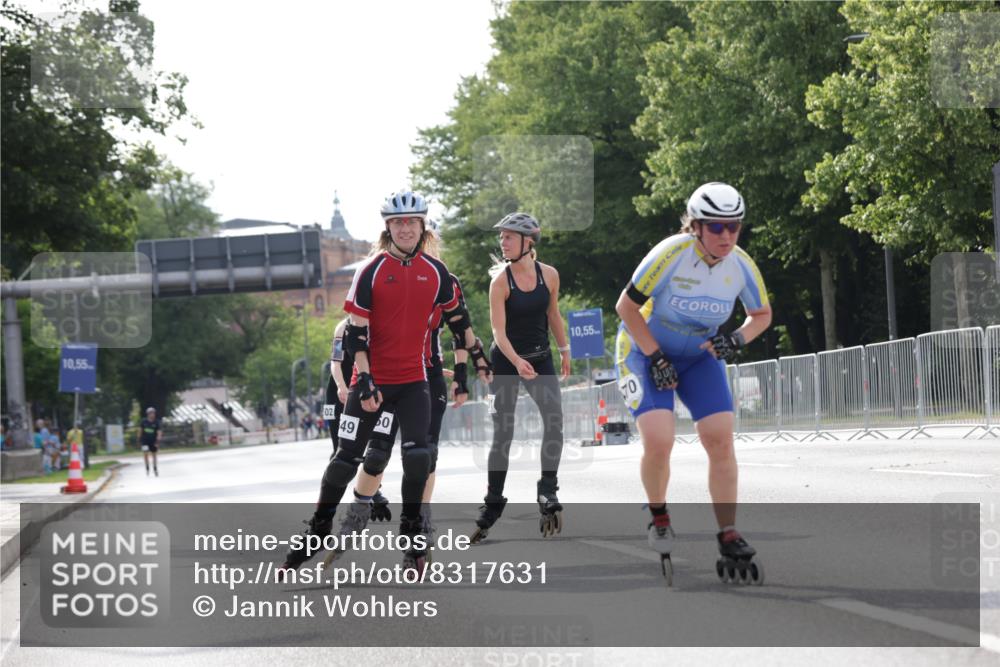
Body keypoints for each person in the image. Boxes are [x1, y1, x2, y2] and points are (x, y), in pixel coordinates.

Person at [280, 190, 490, 575]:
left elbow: (460, 324)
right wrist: (365, 381)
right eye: (398, 223)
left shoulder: (437, 273)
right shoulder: (370, 271)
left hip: (414, 380)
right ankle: (319, 527)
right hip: (372, 381)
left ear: (422, 226)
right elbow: (355, 334)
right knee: (346, 460)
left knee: (419, 457)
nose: (405, 228)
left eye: (412, 222)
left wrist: (467, 371)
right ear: (388, 228)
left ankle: (412, 534)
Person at [614, 182, 772, 584]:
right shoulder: (670, 254)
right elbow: (626, 307)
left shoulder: (741, 265)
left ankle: (728, 531)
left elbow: (762, 315)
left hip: (699, 357)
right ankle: (659, 514)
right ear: (696, 226)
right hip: (644, 348)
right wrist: (654, 355)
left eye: (734, 227)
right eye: (716, 227)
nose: (726, 236)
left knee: (720, 438)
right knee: (660, 439)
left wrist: (736, 338)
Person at [471, 212, 571, 543]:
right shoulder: (500, 282)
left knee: (554, 420)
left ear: (528, 242)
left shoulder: (551, 275)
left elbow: (553, 314)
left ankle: (547, 490)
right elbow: (498, 332)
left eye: (509, 237)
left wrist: (565, 349)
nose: (503, 242)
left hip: (540, 359)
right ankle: (493, 503)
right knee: (504, 432)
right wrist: (516, 362)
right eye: (501, 237)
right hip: (506, 362)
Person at [324, 316, 391, 520]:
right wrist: (341, 387)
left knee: (374, 449)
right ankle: (326, 510)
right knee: (342, 453)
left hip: (365, 391)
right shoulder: (342, 328)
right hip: (339, 392)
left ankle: (371, 492)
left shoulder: (380, 324)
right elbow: (336, 364)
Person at [140, 407, 162, 477]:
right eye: (151, 413)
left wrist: (158, 441)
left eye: (153, 413)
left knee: (154, 455)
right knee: (145, 454)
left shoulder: (156, 422)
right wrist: (139, 439)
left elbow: (159, 432)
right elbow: (140, 431)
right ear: (148, 414)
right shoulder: (144, 421)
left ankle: (155, 467)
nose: (152, 415)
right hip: (145, 441)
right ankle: (147, 467)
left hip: (153, 441)